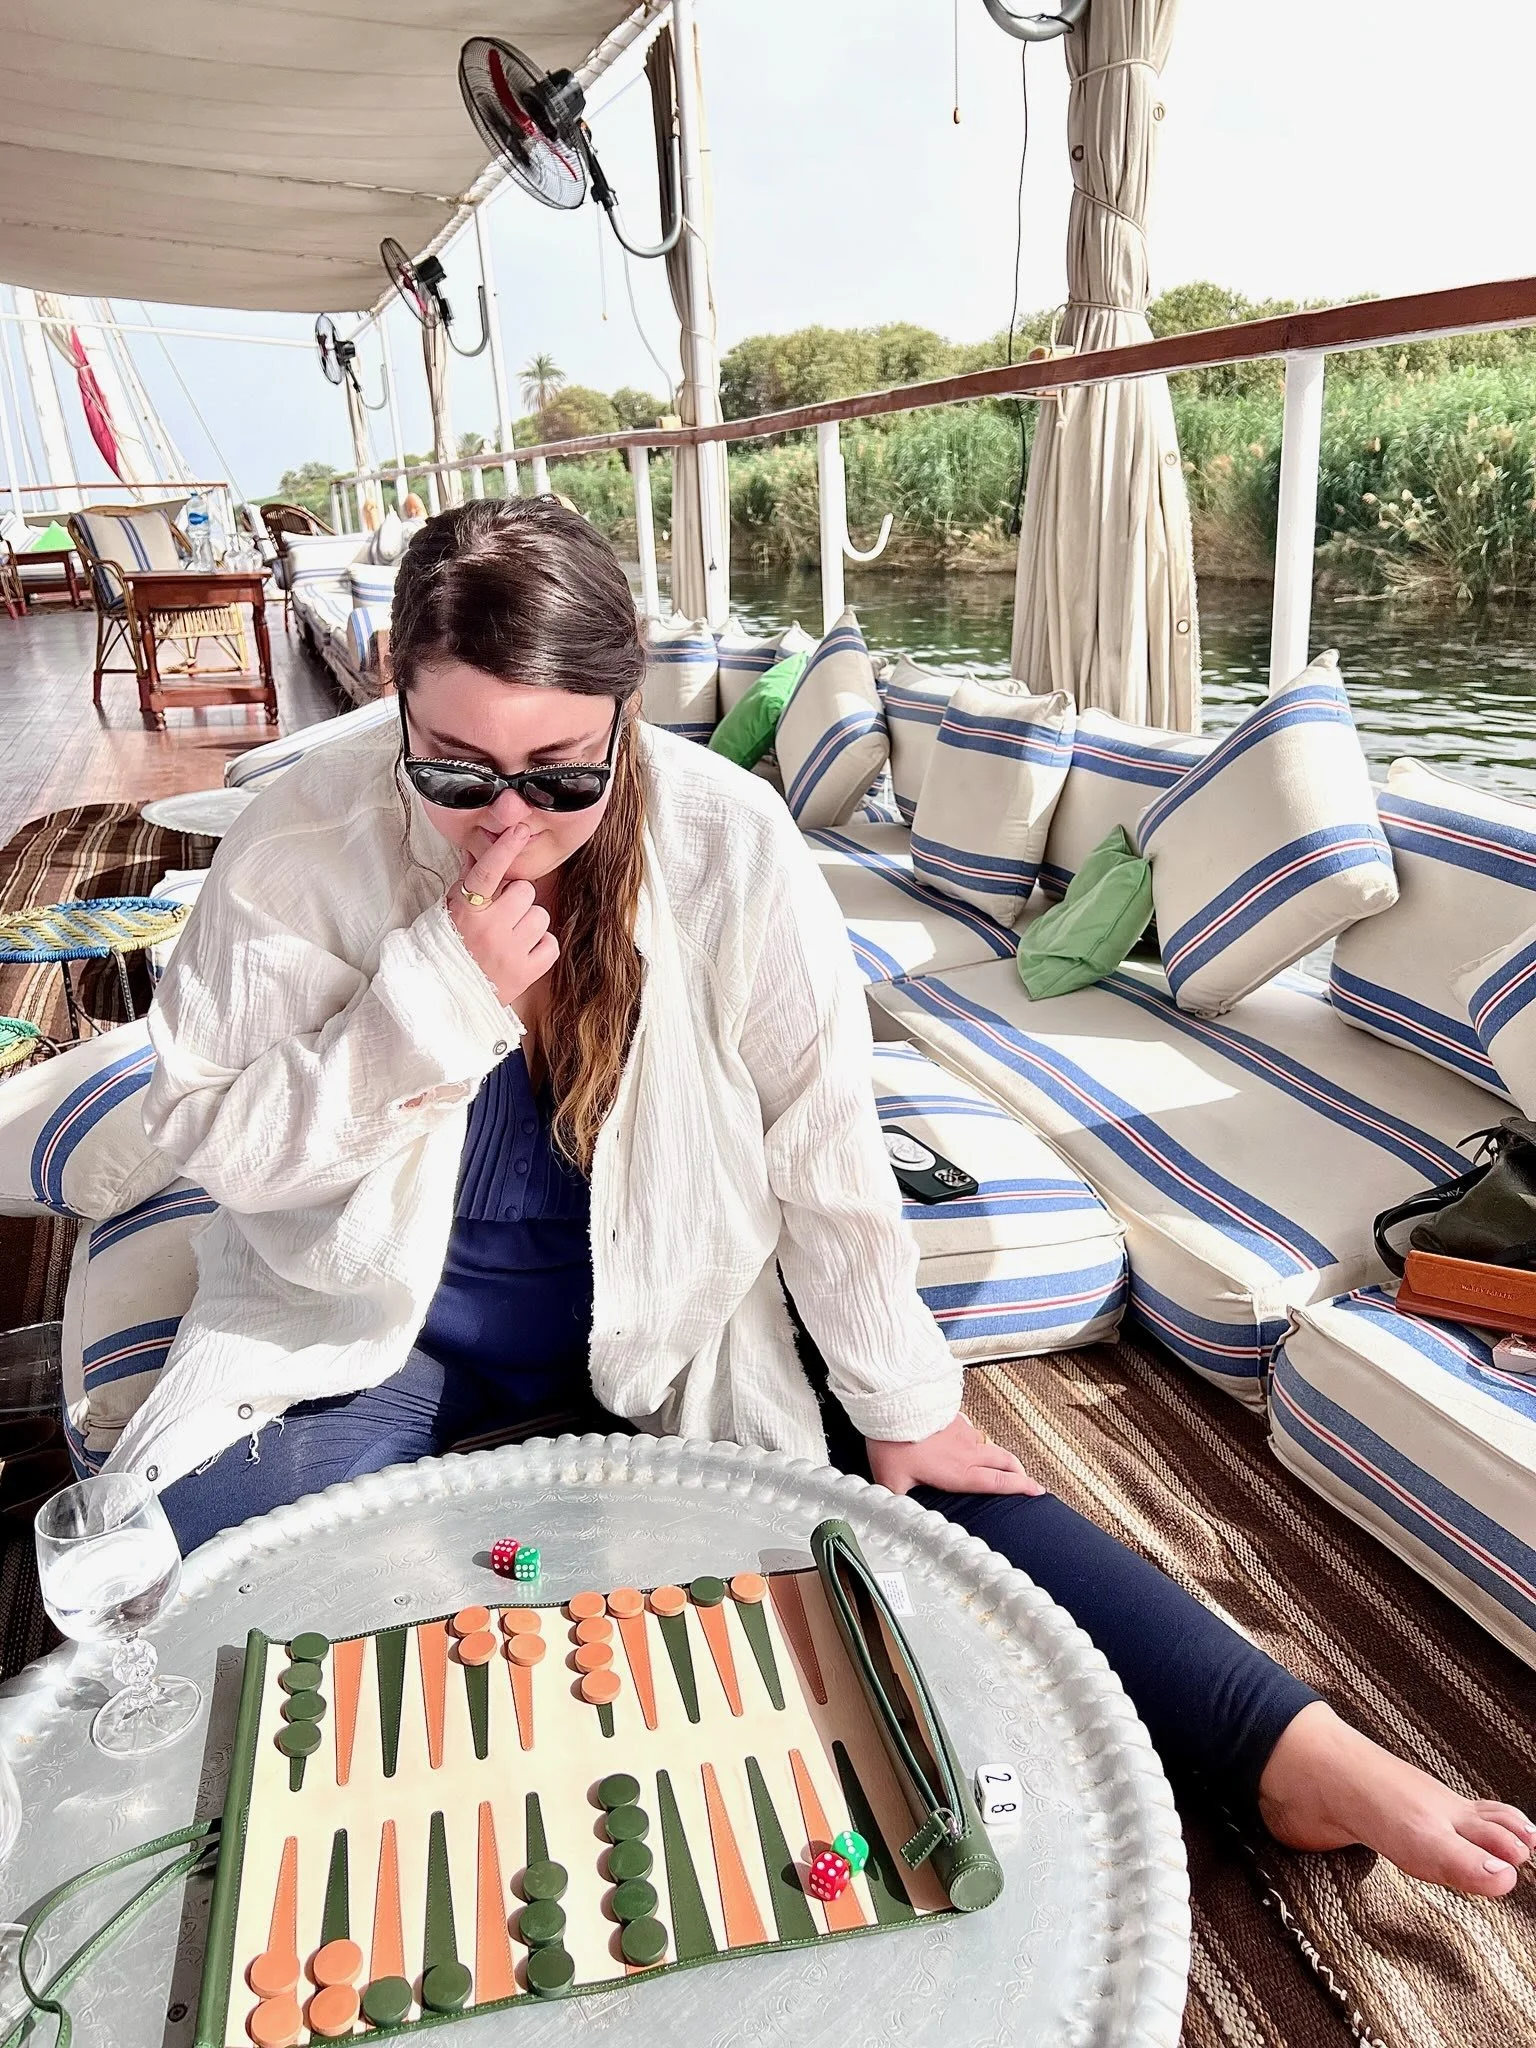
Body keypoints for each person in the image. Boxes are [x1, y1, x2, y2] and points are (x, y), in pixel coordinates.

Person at [126, 499, 1531, 1901]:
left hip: (671, 1312)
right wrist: (429, 999)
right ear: (392, 699)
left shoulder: (727, 840)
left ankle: (1277, 1743)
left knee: (929, 1485)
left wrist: (904, 1401)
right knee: (164, 1597)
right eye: (458, 774)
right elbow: (212, 1140)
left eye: (562, 774)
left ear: (625, 714)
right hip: (383, 1335)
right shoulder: (303, 841)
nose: (512, 822)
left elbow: (825, 1144)